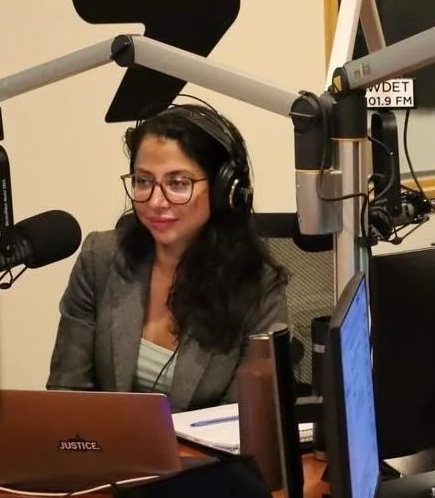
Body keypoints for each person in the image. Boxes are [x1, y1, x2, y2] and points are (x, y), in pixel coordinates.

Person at [46, 101, 289, 412]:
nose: (156, 202)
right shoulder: (100, 259)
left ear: (223, 191)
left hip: (204, 447)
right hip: (106, 444)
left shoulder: (259, 288)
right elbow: (68, 393)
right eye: (143, 181)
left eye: (177, 183)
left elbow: (243, 419)